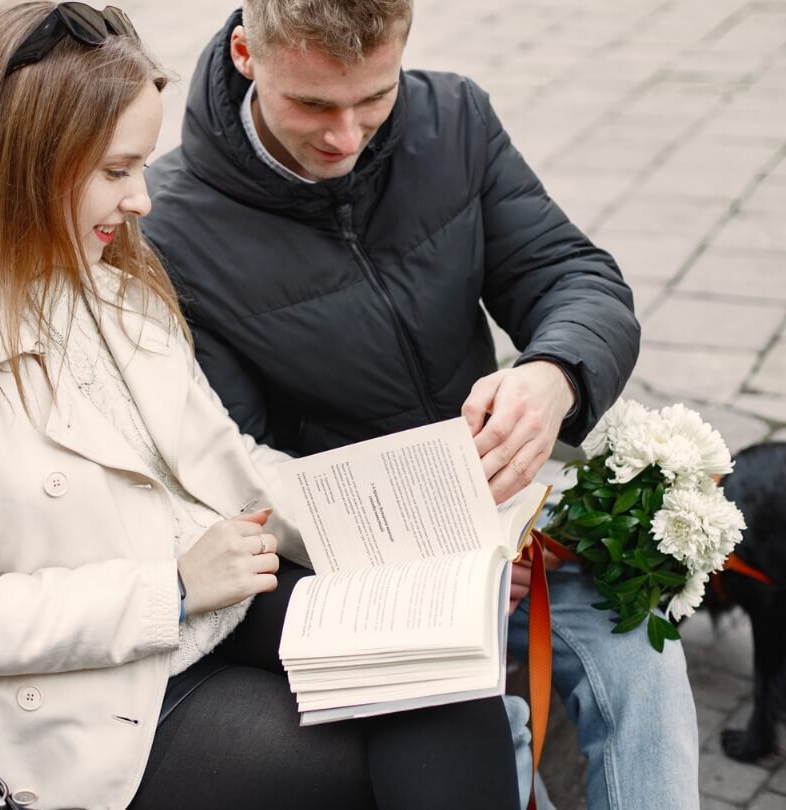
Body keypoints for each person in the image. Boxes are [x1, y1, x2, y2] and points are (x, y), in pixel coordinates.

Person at [0, 3, 522, 808]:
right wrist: (175, 589)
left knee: (445, 673)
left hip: (205, 621)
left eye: (143, 166)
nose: (144, 201)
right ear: (22, 163)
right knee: (359, 760)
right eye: (117, 171)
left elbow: (235, 468)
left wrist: (415, 533)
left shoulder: (117, 298)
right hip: (63, 701)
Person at [140, 1, 700, 808]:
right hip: (355, 582)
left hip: (510, 527)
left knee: (644, 658)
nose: (345, 135)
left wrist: (554, 375)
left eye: (374, 97)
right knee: (478, 734)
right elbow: (236, 471)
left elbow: (573, 276)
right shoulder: (171, 231)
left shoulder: (454, 118)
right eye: (314, 104)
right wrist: (435, 556)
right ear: (245, 55)